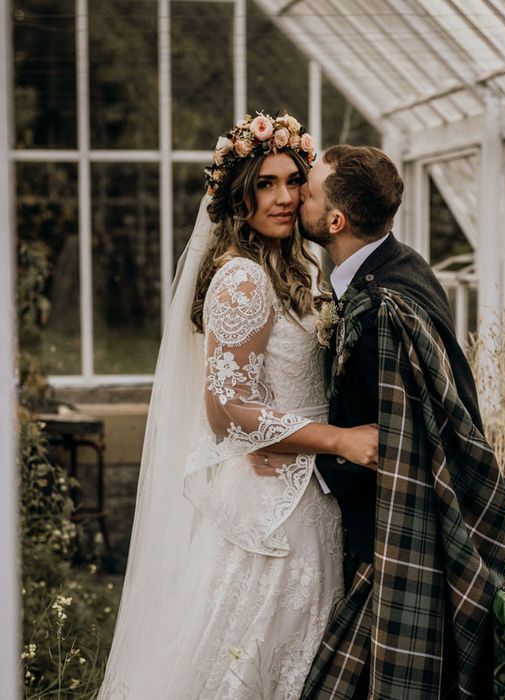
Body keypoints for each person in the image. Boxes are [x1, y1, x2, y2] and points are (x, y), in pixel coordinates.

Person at [100, 113, 378, 700]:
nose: (283, 197)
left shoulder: (297, 267)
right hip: (274, 506)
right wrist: (340, 439)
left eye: (292, 181)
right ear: (239, 195)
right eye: (265, 184)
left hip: (307, 488)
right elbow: (226, 406)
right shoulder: (243, 278)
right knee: (250, 652)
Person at [297, 145, 505, 699]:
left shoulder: (382, 313)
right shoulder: (402, 263)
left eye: (310, 191)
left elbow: (397, 443)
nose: (298, 195)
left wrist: (306, 467)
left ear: (336, 220)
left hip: (387, 539)